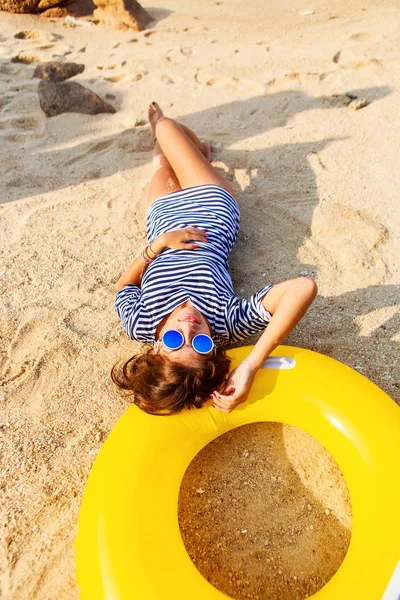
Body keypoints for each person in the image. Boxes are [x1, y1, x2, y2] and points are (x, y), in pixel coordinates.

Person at [112, 102, 317, 415]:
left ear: (154, 349)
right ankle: (191, 148)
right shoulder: (227, 324)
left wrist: (158, 246)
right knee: (166, 129)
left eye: (172, 340)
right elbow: (303, 287)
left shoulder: (141, 324)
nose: (189, 330)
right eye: (200, 347)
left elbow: (125, 285)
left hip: (163, 220)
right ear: (214, 353)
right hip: (210, 205)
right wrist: (251, 364)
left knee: (161, 158)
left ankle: (197, 152)